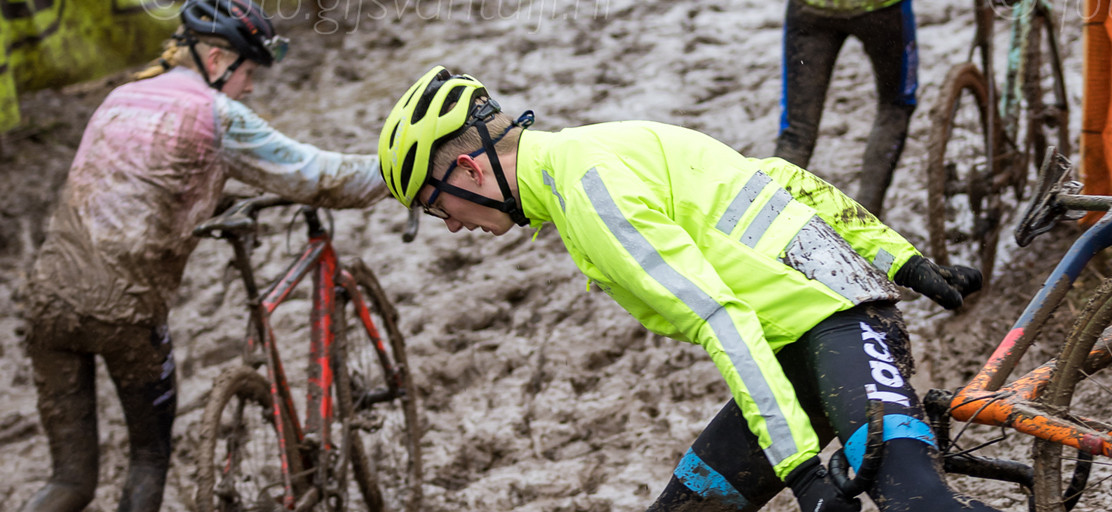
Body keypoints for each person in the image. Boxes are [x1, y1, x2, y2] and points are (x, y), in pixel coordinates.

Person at [377, 66, 991, 512]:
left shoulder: (588, 194)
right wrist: (902, 259)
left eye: (437, 207)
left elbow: (723, 320)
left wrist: (801, 470)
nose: (451, 225)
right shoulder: (584, 152)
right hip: (790, 350)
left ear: (469, 170)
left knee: (919, 504)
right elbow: (775, 178)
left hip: (842, 328)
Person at [19, 0, 388, 512]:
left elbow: (133, 187)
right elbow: (318, 176)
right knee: (147, 460)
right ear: (216, 60)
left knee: (70, 482)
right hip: (124, 312)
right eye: (248, 72)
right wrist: (406, 168)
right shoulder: (216, 115)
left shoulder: (120, 98)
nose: (249, 86)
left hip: (47, 302)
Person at [775, 0, 1017, 215]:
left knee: (797, 131)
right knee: (894, 106)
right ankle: (865, 219)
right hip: (881, 2)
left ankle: (768, 222)